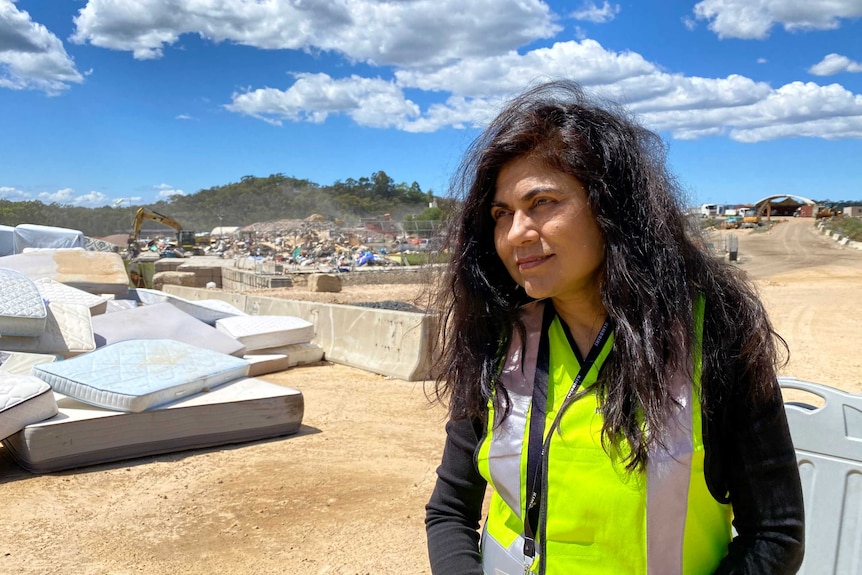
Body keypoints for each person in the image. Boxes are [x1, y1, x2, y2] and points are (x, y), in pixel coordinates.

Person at [424, 80, 804, 574]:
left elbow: (775, 532)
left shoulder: (713, 338)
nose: (516, 233)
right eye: (502, 214)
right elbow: (450, 509)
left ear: (612, 208)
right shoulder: (501, 342)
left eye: (542, 203)